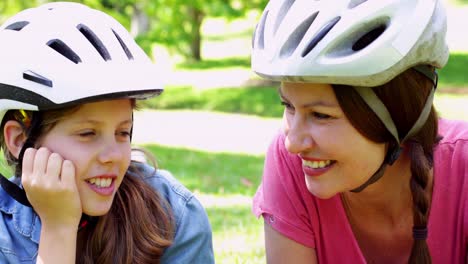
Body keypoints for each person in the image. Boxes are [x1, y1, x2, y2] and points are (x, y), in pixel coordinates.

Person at [251, 0, 467, 263]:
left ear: (400, 113)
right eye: (289, 106)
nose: (292, 144)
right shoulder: (289, 164)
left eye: (321, 115)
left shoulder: (463, 168)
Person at [0, 2, 214, 263]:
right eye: (88, 133)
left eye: (123, 132)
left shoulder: (174, 215)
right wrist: (58, 229)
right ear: (20, 140)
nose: (113, 156)